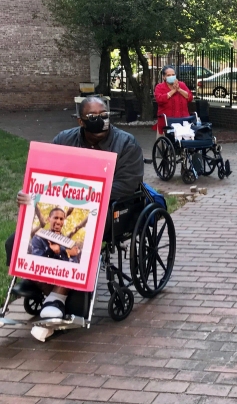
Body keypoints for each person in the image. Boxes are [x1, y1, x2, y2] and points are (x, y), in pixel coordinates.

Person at [8, 96, 144, 328]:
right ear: (81, 121)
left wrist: (86, 196)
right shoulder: (64, 140)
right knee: (16, 241)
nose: (101, 121)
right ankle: (44, 286)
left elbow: (127, 185)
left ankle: (59, 296)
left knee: (76, 238)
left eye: (104, 116)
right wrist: (29, 192)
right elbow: (45, 174)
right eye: (93, 117)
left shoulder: (126, 143)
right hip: (66, 208)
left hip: (111, 211)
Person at [153, 65, 193, 136]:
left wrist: (179, 89)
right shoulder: (159, 87)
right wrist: (173, 91)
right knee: (164, 144)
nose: (171, 76)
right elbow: (160, 99)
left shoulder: (182, 85)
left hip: (183, 121)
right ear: (164, 77)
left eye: (173, 75)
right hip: (167, 122)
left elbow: (189, 97)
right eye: (169, 75)